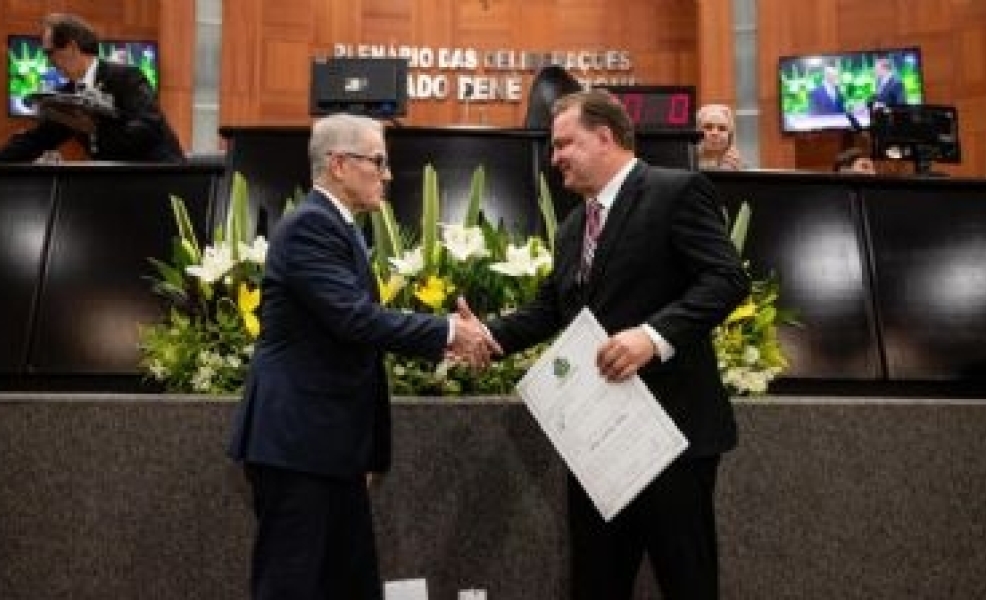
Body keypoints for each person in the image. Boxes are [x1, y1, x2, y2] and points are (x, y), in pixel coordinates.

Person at [485, 89, 750, 599]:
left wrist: (653, 338)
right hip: (598, 444)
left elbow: (726, 280)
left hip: (674, 438)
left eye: (564, 143)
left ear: (605, 137)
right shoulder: (570, 229)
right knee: (595, 582)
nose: (555, 156)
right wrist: (483, 334)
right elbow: (548, 311)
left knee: (686, 582)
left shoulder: (677, 190)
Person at [227, 113, 498, 599]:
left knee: (348, 585)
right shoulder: (311, 225)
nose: (388, 174)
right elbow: (356, 319)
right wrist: (450, 331)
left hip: (327, 447)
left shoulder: (336, 226)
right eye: (378, 162)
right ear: (338, 164)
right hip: (299, 447)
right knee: (292, 586)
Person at [0, 13, 183, 163]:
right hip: (114, 183)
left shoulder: (127, 77)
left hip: (160, 176)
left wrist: (93, 130)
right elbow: (38, 139)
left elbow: (147, 130)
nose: (49, 62)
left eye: (50, 53)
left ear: (71, 47)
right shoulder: (67, 95)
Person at [695, 103, 744, 170]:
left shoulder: (741, 168)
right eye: (708, 127)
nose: (715, 133)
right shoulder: (685, 167)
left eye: (722, 128)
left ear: (730, 135)